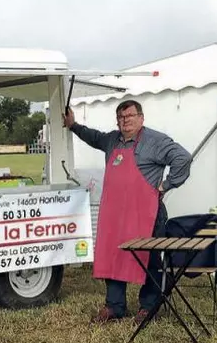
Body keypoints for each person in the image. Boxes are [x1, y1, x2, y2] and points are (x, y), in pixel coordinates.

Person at [63, 100, 192, 325]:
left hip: (147, 214)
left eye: (130, 116)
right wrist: (73, 125)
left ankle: (148, 307)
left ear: (141, 118)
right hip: (116, 214)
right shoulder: (112, 140)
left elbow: (183, 158)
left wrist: (166, 185)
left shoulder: (156, 141)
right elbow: (93, 137)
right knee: (114, 255)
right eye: (121, 117)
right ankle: (114, 306)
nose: (126, 121)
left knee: (150, 258)